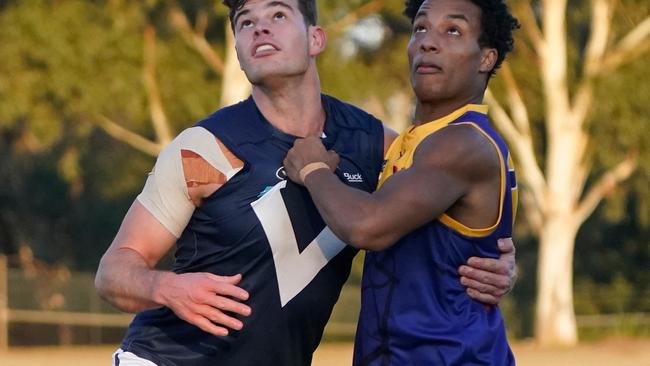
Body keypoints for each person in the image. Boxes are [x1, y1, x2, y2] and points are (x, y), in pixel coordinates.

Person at [94, 0, 516, 365]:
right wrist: (166, 288)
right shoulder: (203, 148)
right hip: (167, 358)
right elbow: (114, 271)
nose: (259, 26)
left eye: (278, 14)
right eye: (245, 21)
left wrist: (496, 259)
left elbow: (451, 207)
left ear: (316, 39)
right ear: (239, 53)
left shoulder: (375, 145)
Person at [283, 0, 520, 365]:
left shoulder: (463, 143)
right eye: (420, 28)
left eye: (453, 30)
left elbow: (366, 226)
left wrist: (314, 170)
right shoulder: (412, 143)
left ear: (486, 58)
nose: (428, 42)